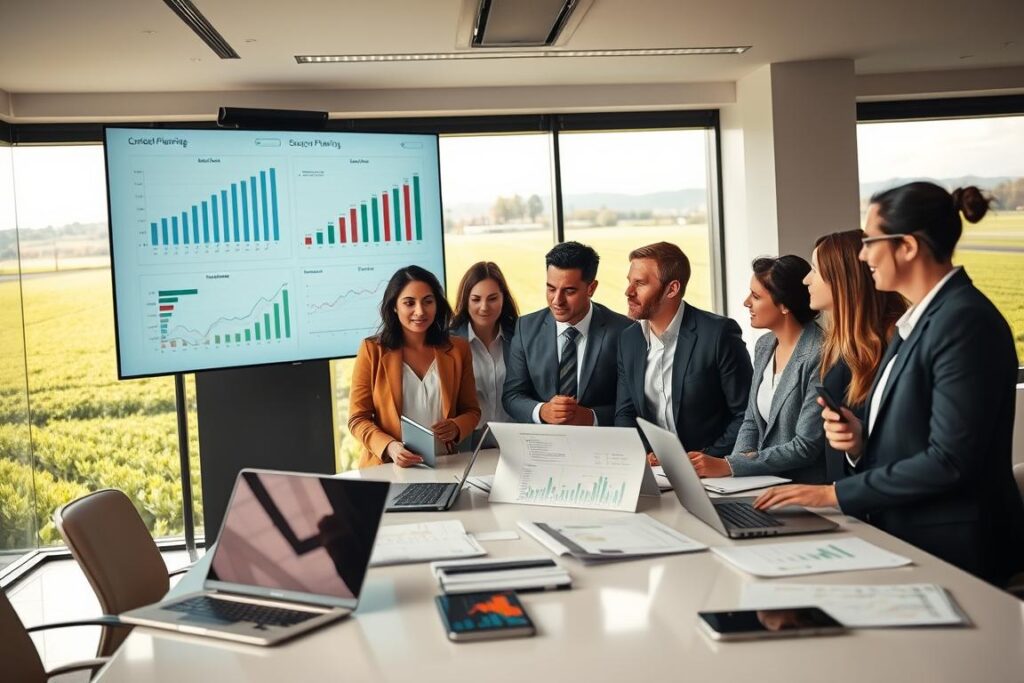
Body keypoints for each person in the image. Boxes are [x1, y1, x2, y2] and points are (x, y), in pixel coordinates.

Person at [755, 182, 1024, 585]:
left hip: (954, 549)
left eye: (871, 241)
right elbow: (914, 440)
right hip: (908, 534)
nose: (863, 255)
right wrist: (860, 442)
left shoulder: (964, 323)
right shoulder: (915, 324)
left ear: (908, 247)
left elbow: (951, 460)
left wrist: (834, 495)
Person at [690, 255, 826, 483]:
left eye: (756, 296)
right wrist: (735, 473)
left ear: (784, 305)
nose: (746, 302)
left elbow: (805, 446)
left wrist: (729, 465)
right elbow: (751, 421)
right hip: (759, 482)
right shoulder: (765, 345)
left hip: (800, 487)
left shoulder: (820, 354)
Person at [614, 242, 752, 463]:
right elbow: (625, 413)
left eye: (639, 283)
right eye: (630, 282)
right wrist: (642, 454)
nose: (628, 292)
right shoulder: (628, 339)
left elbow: (746, 415)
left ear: (672, 289)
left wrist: (708, 458)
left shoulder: (718, 334)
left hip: (714, 469)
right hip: (655, 469)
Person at [348, 265, 480, 468]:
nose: (420, 311)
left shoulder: (458, 349)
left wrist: (456, 426)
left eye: (428, 301)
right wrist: (390, 446)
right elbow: (358, 419)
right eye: (409, 303)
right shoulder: (372, 350)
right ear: (394, 306)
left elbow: (471, 411)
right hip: (388, 468)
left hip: (444, 465)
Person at [803, 230, 906, 482]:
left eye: (815, 270)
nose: (806, 279)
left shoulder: (894, 345)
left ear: (842, 279)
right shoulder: (841, 342)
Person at [503, 241, 631, 426]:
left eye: (569, 291)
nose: (557, 301)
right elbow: (512, 396)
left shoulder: (623, 331)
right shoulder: (526, 328)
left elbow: (631, 405)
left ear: (591, 288)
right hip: (544, 446)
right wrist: (542, 411)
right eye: (551, 288)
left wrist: (590, 417)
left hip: (600, 446)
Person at [450, 261, 519, 445]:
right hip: (468, 444)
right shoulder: (450, 344)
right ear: (466, 300)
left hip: (514, 441)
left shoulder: (520, 337)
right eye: (476, 299)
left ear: (503, 298)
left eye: (492, 298)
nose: (484, 307)